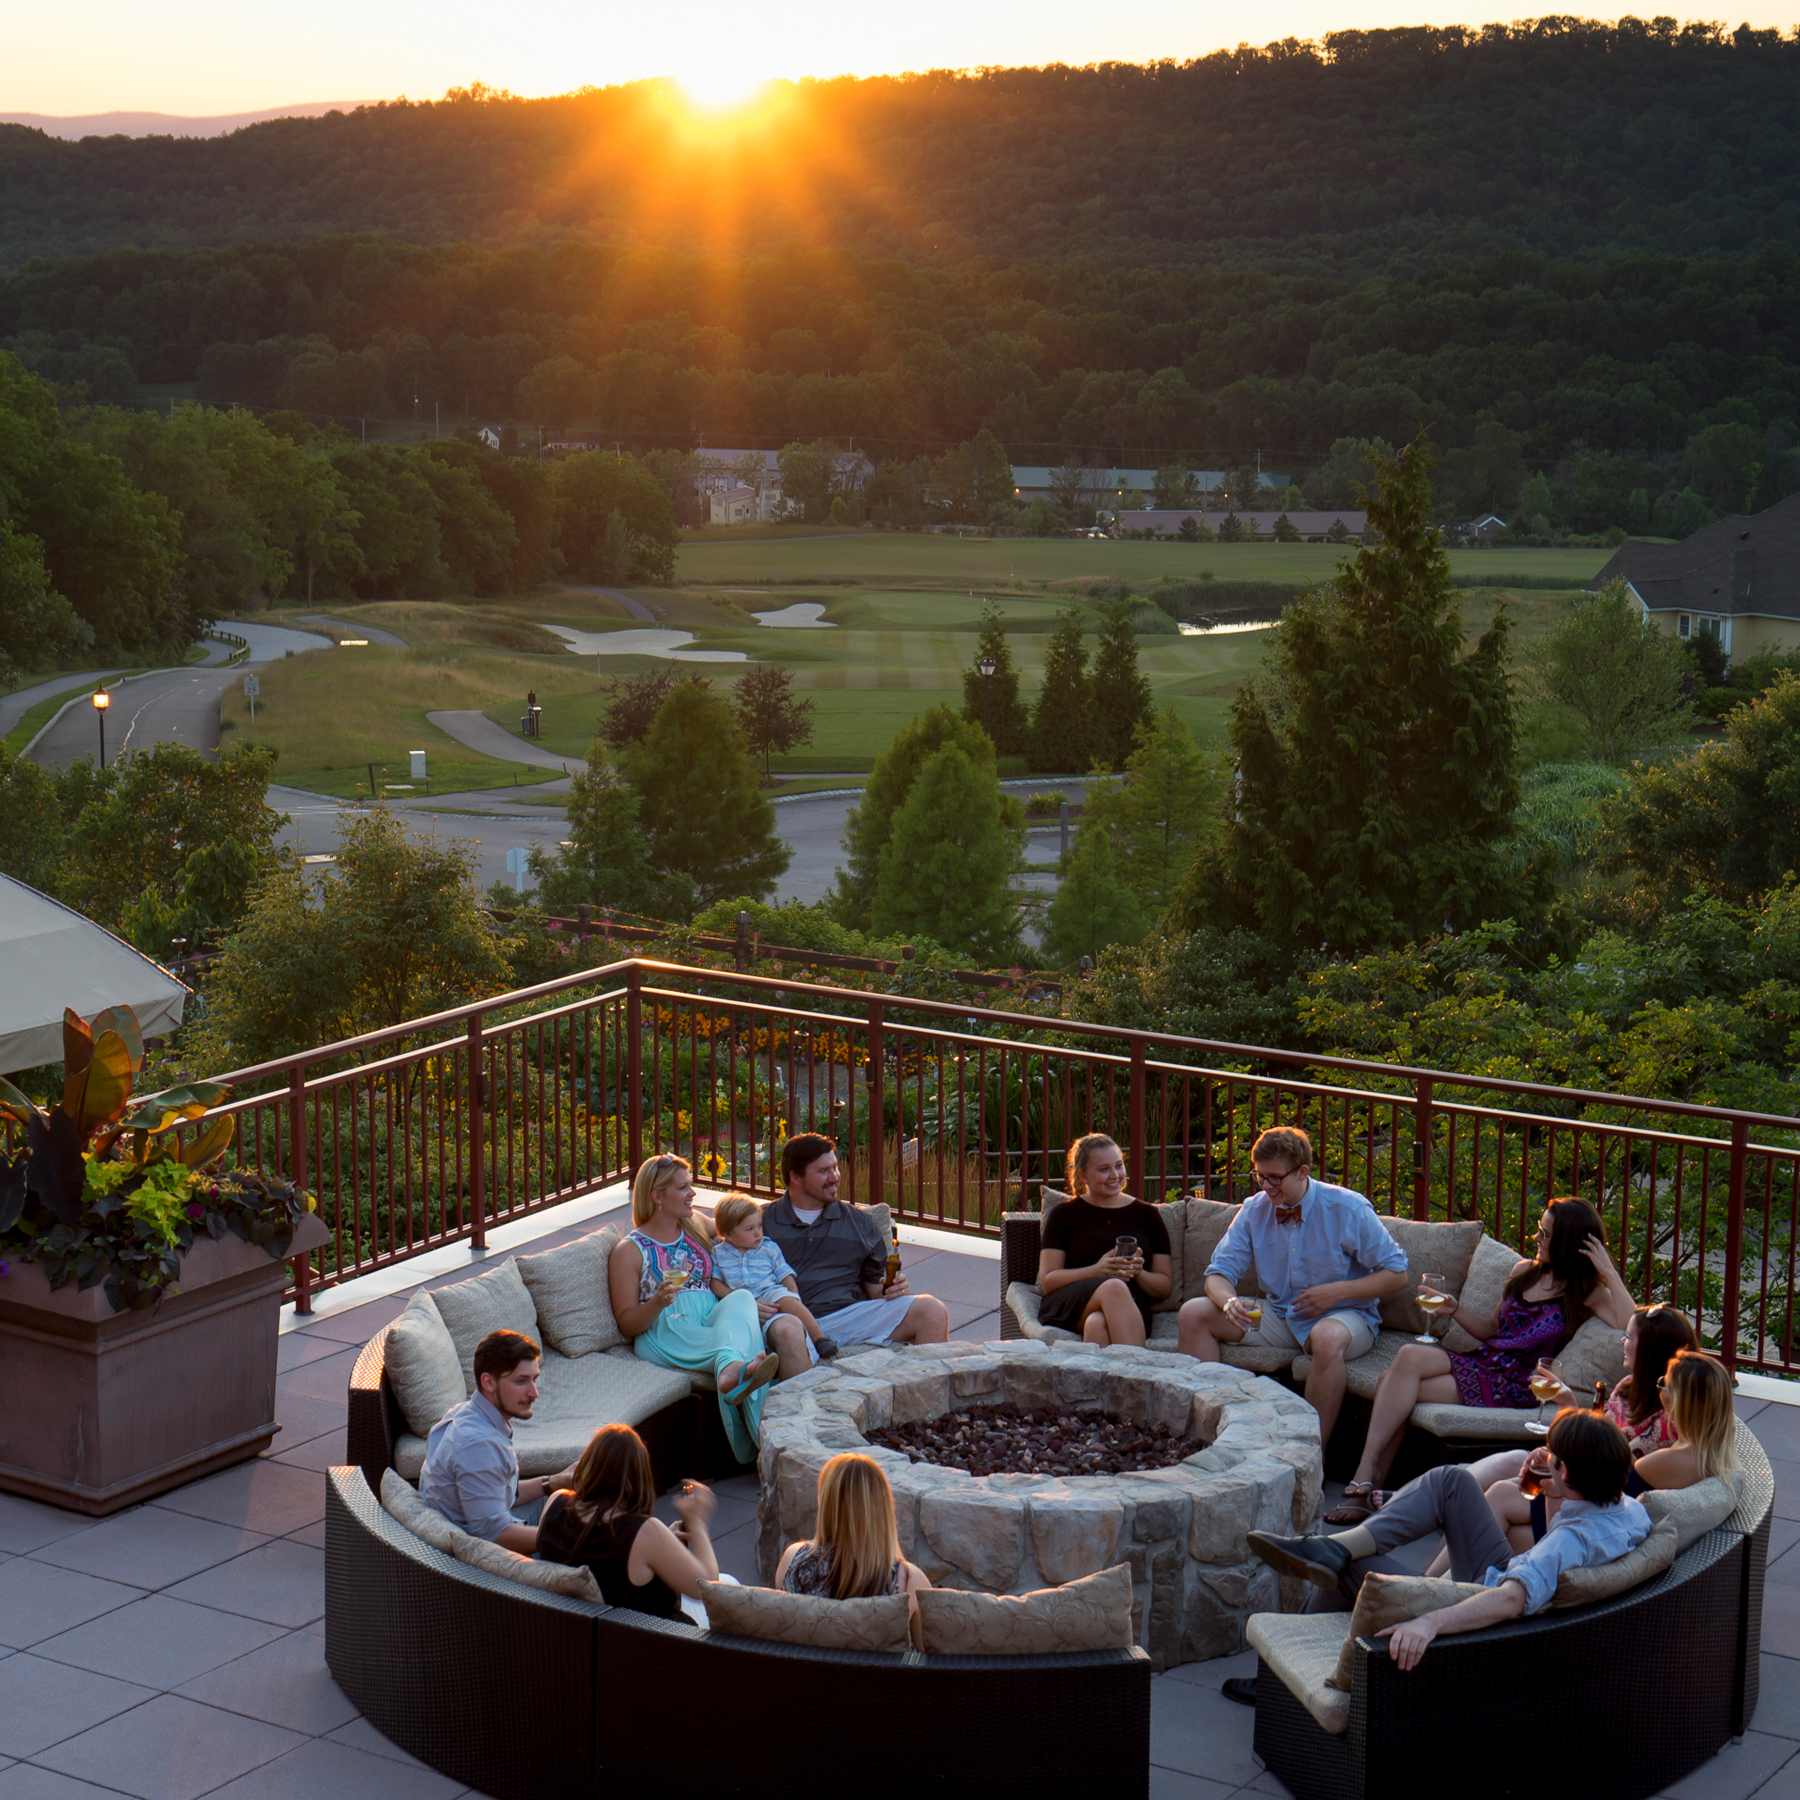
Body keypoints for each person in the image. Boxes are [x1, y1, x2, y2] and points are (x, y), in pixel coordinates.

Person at [1246, 1408, 1652, 1671]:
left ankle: (1278, 1668)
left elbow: (1512, 1599)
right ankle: (1334, 1547)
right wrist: (1551, 1491)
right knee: (1452, 1481)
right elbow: (1557, 1541)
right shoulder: (1630, 1510)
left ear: (1567, 1473)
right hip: (1503, 1574)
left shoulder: (1568, 1546)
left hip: (1476, 1599)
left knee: (1353, 1567)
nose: (1545, 1455)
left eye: (1554, 1455)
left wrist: (1430, 1622)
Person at [1326, 1197, 1637, 1522]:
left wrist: (1607, 1271)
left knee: (1392, 1383)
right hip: (1483, 1360)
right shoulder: (1525, 1272)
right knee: (1404, 1363)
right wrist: (1453, 1308)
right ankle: (1370, 1478)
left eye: (1545, 1234)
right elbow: (1491, 1330)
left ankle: (1365, 1484)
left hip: (1514, 1383)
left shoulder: (1586, 1292)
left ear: (1568, 1242)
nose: (1537, 1238)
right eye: (1539, 1230)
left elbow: (1630, 1322)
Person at [1178, 1126, 1409, 1451]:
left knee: (1326, 1339)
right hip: (1284, 1315)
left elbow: (1397, 1273)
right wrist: (1229, 1302)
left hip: (1346, 1316)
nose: (1267, 1186)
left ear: (1303, 1172)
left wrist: (1335, 1292)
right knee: (1193, 1313)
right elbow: (1217, 1274)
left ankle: (1310, 1457)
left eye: (1275, 1178)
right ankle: (1208, 1437)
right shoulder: (1254, 1210)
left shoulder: (1347, 1208)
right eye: (1261, 1177)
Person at [1472, 1349, 1738, 1556]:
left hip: (1590, 1531)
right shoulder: (1705, 1454)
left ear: (1682, 1399)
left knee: (1499, 1496)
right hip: (1605, 1530)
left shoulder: (1668, 1460)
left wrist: (1557, 1457)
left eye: (1663, 1383)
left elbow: (1595, 1487)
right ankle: (1438, 1581)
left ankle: (1437, 1583)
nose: (1659, 1390)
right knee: (1497, 1511)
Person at [608, 1153, 778, 1464]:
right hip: (667, 1328)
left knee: (741, 1299)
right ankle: (747, 1401)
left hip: (709, 1316)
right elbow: (627, 1325)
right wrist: (658, 1300)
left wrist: (795, 1204)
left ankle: (731, 1371)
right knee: (737, 1342)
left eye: (691, 1185)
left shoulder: (695, 1224)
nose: (693, 1193)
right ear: (658, 1196)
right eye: (684, 1188)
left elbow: (738, 1222)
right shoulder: (629, 1251)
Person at [759, 1134, 950, 1377]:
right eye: (823, 1171)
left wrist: (894, 1289)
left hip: (848, 1316)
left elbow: (876, 1292)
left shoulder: (860, 1223)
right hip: (791, 1319)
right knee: (788, 1331)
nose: (834, 1177)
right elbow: (733, 1269)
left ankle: (927, 1407)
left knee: (932, 1310)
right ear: (795, 1176)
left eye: (835, 1168)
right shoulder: (761, 1222)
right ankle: (806, 1412)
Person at [537, 1424, 719, 1623]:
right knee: (729, 1584)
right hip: (650, 1642)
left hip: (576, 1631)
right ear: (639, 1474)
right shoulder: (645, 1532)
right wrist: (697, 1522)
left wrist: (665, 1542)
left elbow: (593, 1548)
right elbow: (708, 1588)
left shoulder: (555, 1503)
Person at [418, 1329, 575, 1553]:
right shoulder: (479, 1446)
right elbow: (495, 1536)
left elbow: (497, 1494)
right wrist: (575, 1541)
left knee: (578, 1504)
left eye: (534, 1379)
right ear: (488, 1382)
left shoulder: (465, 1413)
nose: (534, 1393)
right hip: (489, 1563)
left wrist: (553, 1482)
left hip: (488, 1527)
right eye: (521, 1381)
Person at [775, 1452, 932, 1645]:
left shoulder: (793, 1560)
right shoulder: (909, 1581)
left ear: (827, 1506)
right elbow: (927, 1661)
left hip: (806, 1673)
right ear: (882, 1510)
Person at [1036, 1132, 1173, 1346]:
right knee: (1114, 1286)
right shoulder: (1064, 1214)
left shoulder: (1148, 1215)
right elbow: (1049, 1280)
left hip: (1130, 1306)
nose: (1115, 1175)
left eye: (1118, 1166)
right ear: (1083, 1176)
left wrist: (1137, 1273)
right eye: (1103, 1169)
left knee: (1097, 1324)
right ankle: (1139, 1373)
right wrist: (1098, 1270)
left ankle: (1098, 1379)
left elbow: (1164, 1286)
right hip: (1072, 1302)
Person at [710, 1192, 839, 1360]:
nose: (757, 1233)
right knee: (738, 1327)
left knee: (786, 1300)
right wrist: (736, 1298)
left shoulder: (768, 1247)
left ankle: (819, 1338)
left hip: (770, 1292)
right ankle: (758, 1360)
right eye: (749, 1229)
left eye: (759, 1226)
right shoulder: (719, 1253)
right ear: (727, 1234)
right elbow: (715, 1283)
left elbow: (784, 1275)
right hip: (742, 1299)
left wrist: (794, 1298)